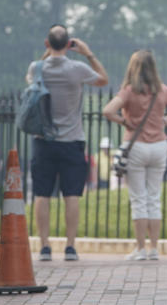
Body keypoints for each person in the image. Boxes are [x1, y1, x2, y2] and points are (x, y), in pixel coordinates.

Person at [27, 25, 109, 261]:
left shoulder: (37, 68)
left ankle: (44, 246)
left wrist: (47, 54)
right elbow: (103, 80)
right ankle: (70, 246)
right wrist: (88, 53)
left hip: (43, 139)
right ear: (68, 45)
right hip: (72, 140)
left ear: (47, 43)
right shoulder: (78, 69)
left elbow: (31, 78)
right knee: (71, 194)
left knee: (42, 194)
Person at [103, 50, 167, 260]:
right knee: (154, 197)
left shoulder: (128, 91)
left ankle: (140, 248)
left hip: (136, 146)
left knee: (138, 199)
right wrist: (166, 120)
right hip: (159, 146)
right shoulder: (162, 90)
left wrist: (125, 122)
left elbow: (108, 111)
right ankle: (154, 249)